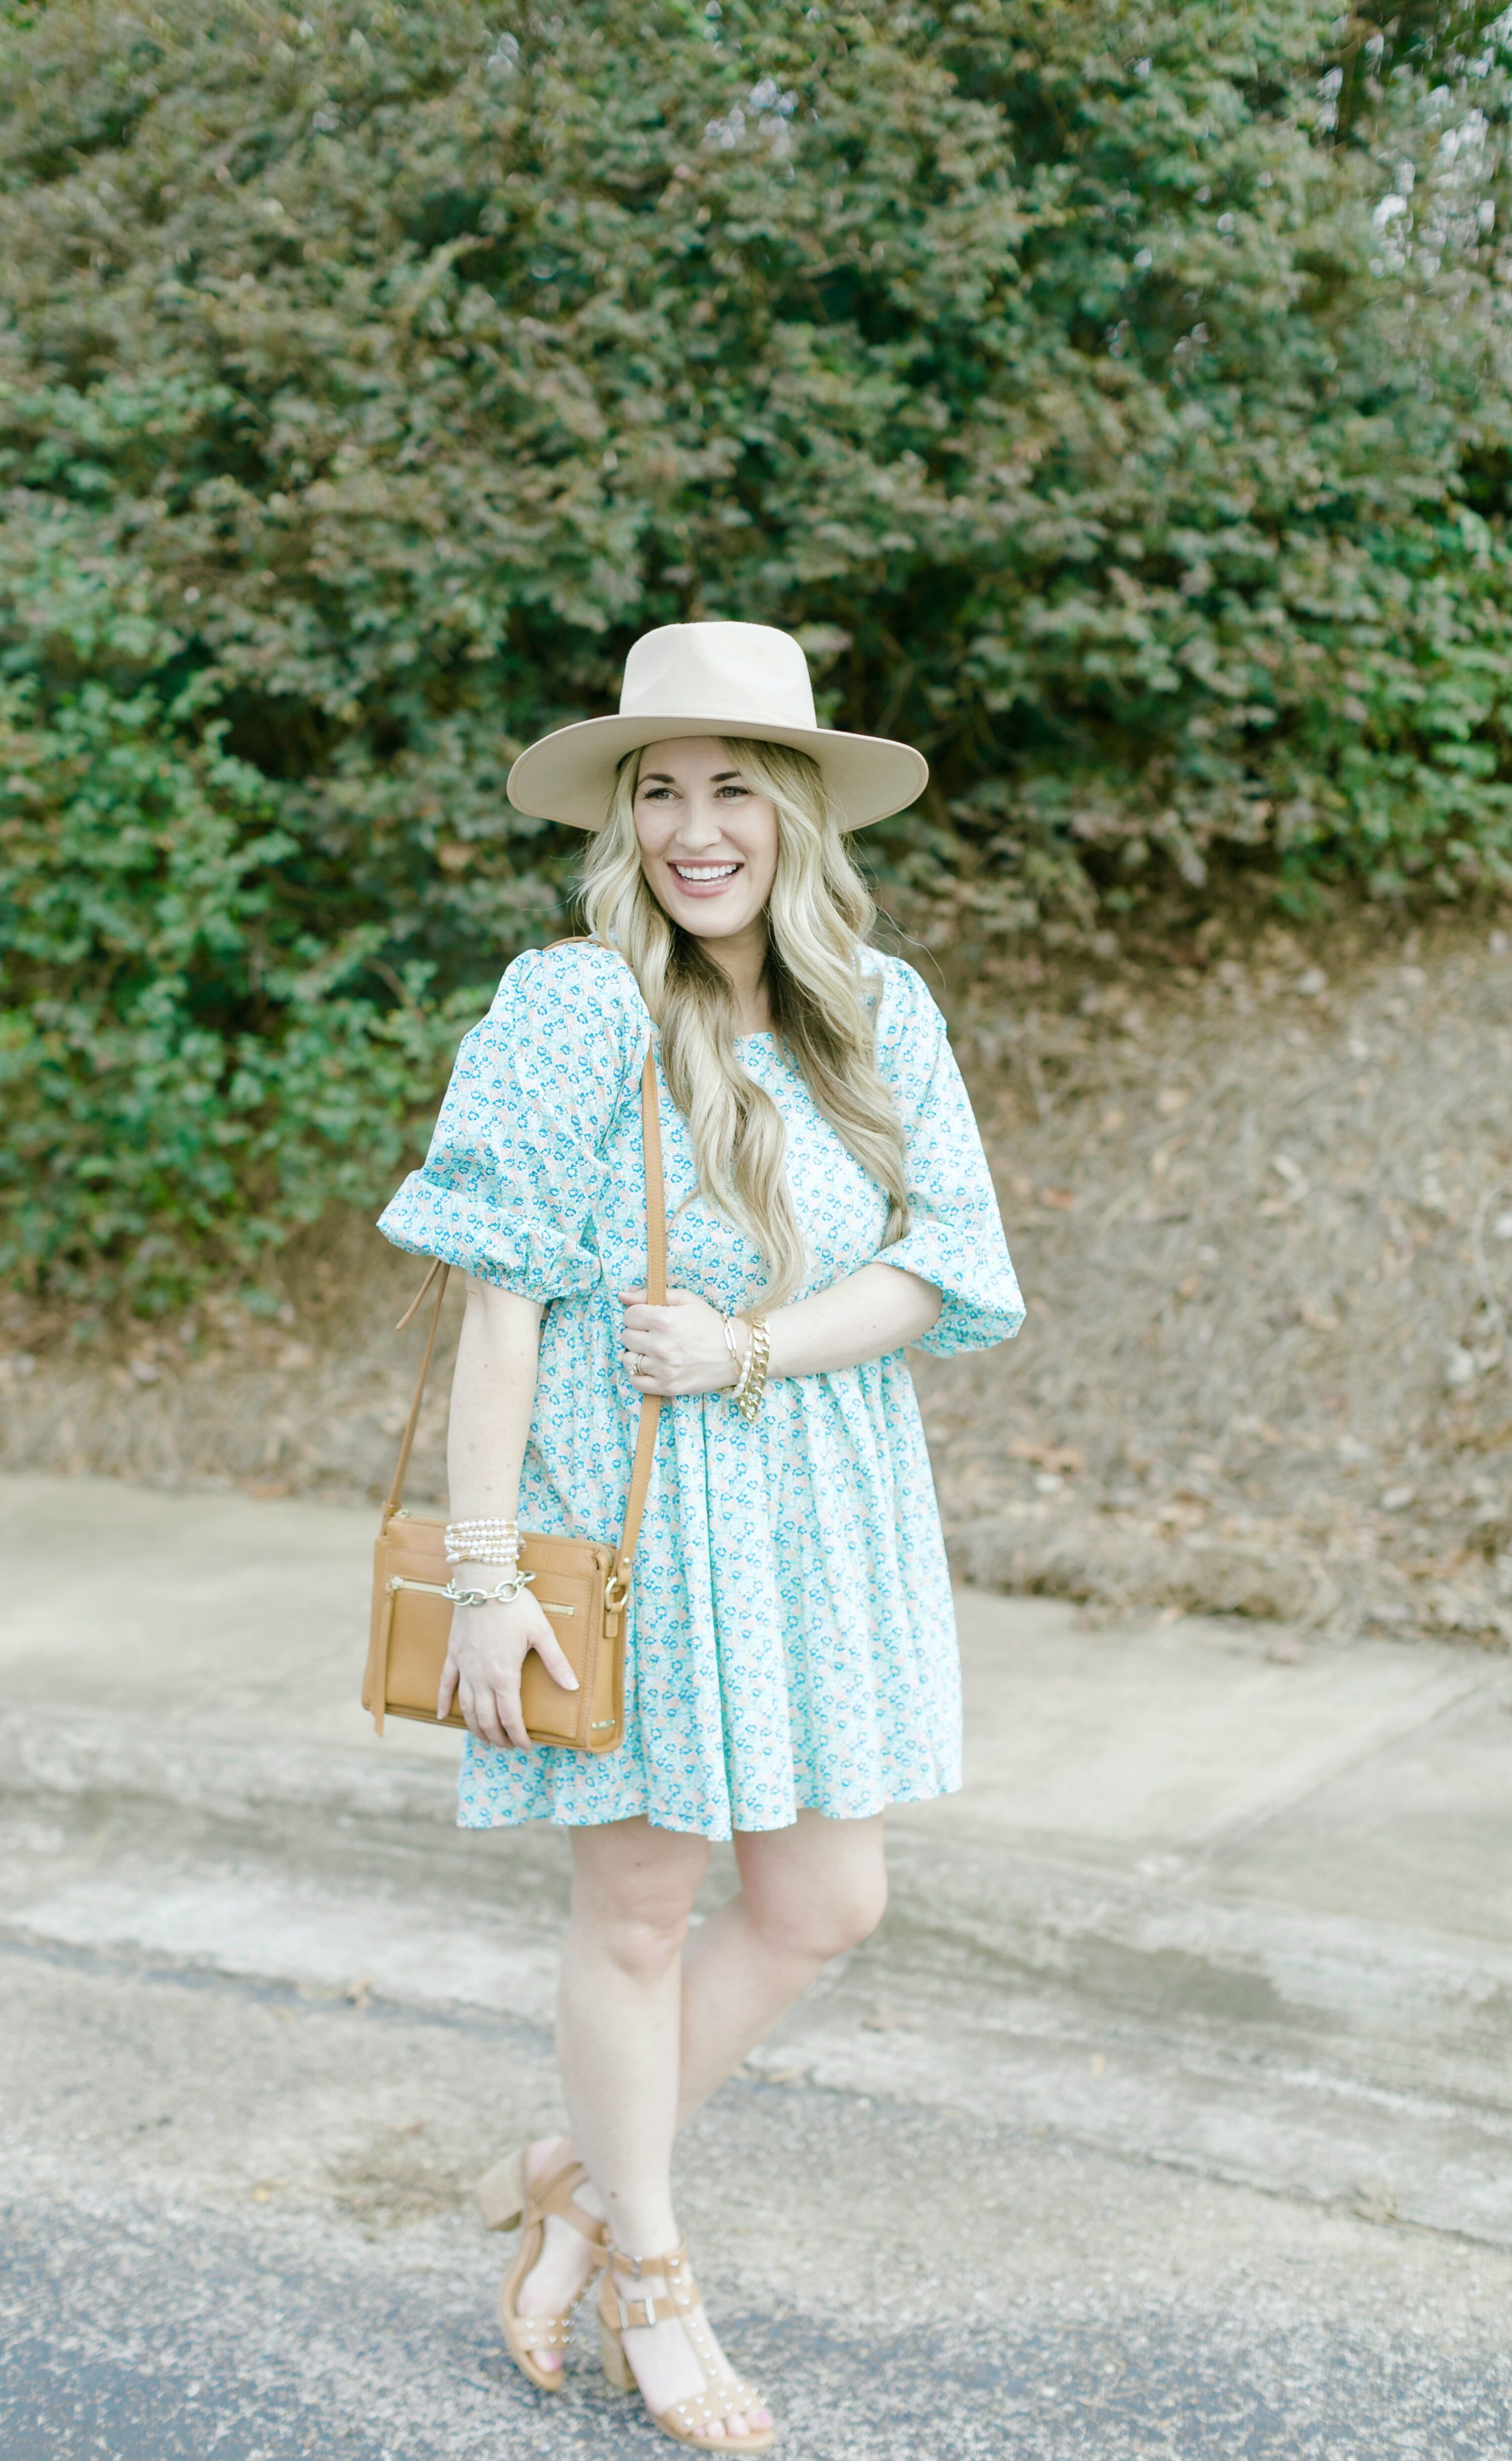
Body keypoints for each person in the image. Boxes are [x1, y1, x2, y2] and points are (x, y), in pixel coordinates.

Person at [378, 621, 1024, 2450]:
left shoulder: (881, 1008)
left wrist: (751, 1344)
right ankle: (648, 2272)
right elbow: (496, 1310)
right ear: (624, 823)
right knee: (643, 1912)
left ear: (799, 811)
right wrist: (486, 1584)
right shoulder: (569, 1006)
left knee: (829, 1897)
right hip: (630, 1512)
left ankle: (577, 2173)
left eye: (733, 784)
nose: (693, 826)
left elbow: (946, 1268)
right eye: (658, 791)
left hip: (818, 1503)